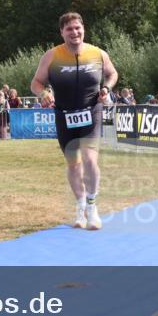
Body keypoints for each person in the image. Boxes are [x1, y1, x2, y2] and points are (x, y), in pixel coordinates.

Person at [31, 12, 117, 230]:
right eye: (69, 29)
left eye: (77, 28)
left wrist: (106, 88)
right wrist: (43, 94)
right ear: (62, 32)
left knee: (90, 160)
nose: (74, 32)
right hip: (64, 116)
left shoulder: (98, 53)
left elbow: (112, 74)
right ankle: (80, 205)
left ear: (83, 29)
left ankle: (92, 206)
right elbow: (36, 83)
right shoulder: (52, 56)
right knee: (74, 165)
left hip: (92, 112)